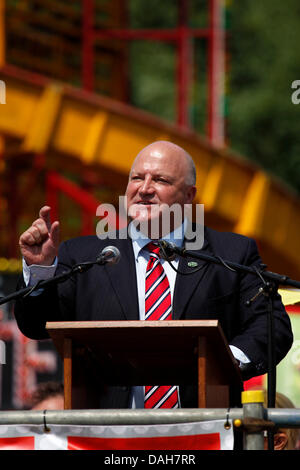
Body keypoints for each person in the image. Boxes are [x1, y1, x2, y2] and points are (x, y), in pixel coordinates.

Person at [14, 140, 293, 409]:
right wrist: (40, 269)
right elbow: (35, 325)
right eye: (136, 178)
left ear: (188, 195)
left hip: (205, 430)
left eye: (160, 180)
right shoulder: (84, 256)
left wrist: (226, 362)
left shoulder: (231, 253)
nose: (144, 189)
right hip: (109, 437)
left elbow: (272, 326)